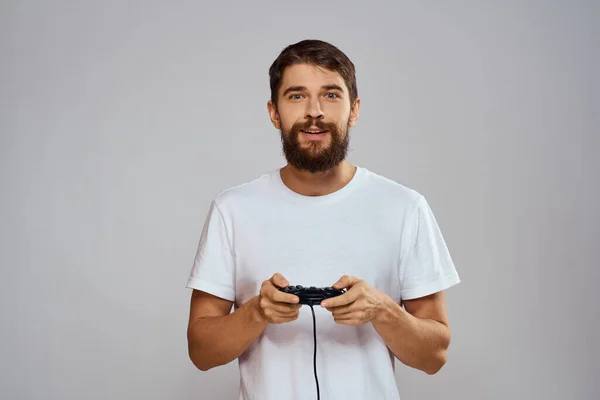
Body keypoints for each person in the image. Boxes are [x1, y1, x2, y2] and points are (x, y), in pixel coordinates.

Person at [185, 39, 460, 400]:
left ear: (354, 110)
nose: (314, 112)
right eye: (297, 96)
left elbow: (434, 356)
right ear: (274, 112)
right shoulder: (232, 209)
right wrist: (257, 312)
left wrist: (381, 310)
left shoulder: (405, 207)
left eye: (331, 95)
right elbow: (201, 352)